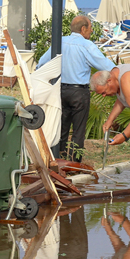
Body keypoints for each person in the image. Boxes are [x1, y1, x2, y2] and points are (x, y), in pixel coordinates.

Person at [37, 15, 114, 162]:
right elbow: (105, 65)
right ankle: (74, 162)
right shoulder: (86, 45)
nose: (91, 31)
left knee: (61, 128)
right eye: (90, 28)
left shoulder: (60, 42)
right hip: (79, 92)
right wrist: (120, 72)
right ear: (83, 29)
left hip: (60, 90)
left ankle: (58, 159)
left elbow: (41, 63)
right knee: (79, 130)